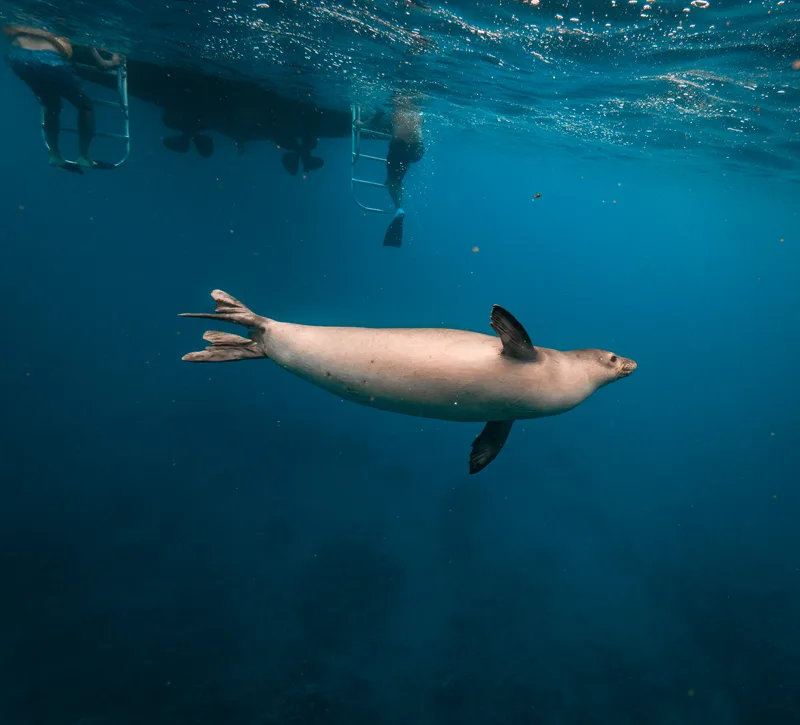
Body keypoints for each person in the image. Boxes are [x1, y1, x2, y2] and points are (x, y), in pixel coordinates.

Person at [3, 24, 121, 169]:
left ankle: (55, 156)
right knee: (85, 106)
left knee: (51, 105)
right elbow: (102, 65)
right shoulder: (74, 34)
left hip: (19, 60)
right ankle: (84, 157)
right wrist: (114, 60)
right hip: (49, 62)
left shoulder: (23, 26)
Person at [374, 95, 424, 248]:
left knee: (392, 180)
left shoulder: (396, 112)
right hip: (418, 149)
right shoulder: (419, 114)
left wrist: (360, 123)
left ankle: (398, 208)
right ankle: (396, 179)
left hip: (400, 146)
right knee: (403, 166)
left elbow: (374, 120)